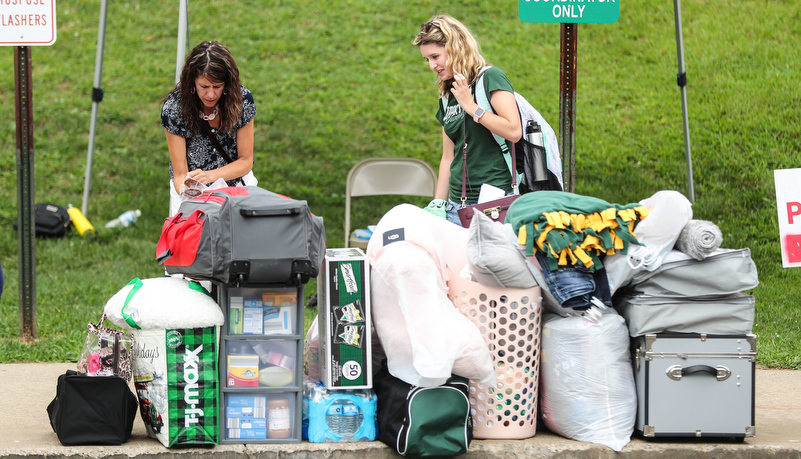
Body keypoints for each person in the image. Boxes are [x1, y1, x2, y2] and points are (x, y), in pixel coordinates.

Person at [413, 14, 522, 225]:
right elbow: (448, 156)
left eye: (435, 56)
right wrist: (438, 203)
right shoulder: (447, 95)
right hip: (456, 206)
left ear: (455, 48)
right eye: (427, 59)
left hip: (494, 203)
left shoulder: (490, 78)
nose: (431, 66)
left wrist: (471, 107)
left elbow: (513, 131)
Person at [162, 40, 257, 216]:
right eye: (204, 87)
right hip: (193, 196)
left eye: (217, 86)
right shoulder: (174, 108)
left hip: (237, 191)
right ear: (192, 82)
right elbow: (180, 174)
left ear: (227, 84)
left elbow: (246, 161)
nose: (211, 94)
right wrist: (193, 194)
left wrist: (210, 176)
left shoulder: (242, 101)